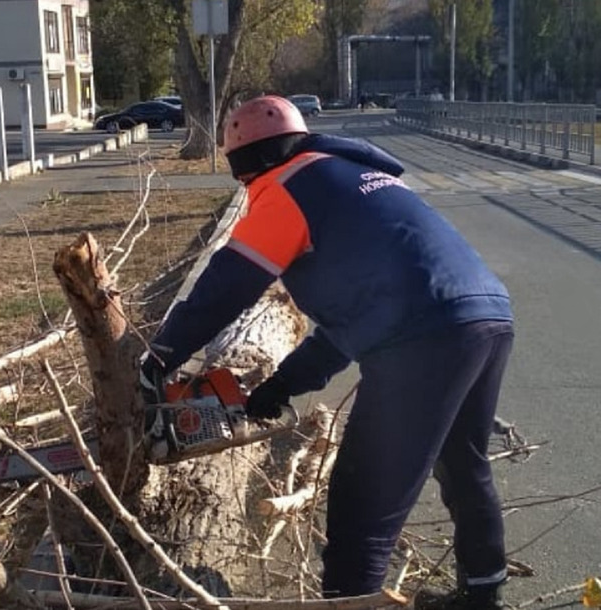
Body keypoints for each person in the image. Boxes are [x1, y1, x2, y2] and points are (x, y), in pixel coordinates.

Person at [140, 95, 514, 609]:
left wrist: (159, 353)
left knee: (362, 508)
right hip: (486, 315)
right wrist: (282, 385)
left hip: (421, 337)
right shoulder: (355, 178)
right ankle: (483, 594)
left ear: (244, 165)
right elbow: (354, 322)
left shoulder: (284, 188)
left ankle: (350, 599)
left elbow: (226, 287)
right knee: (463, 465)